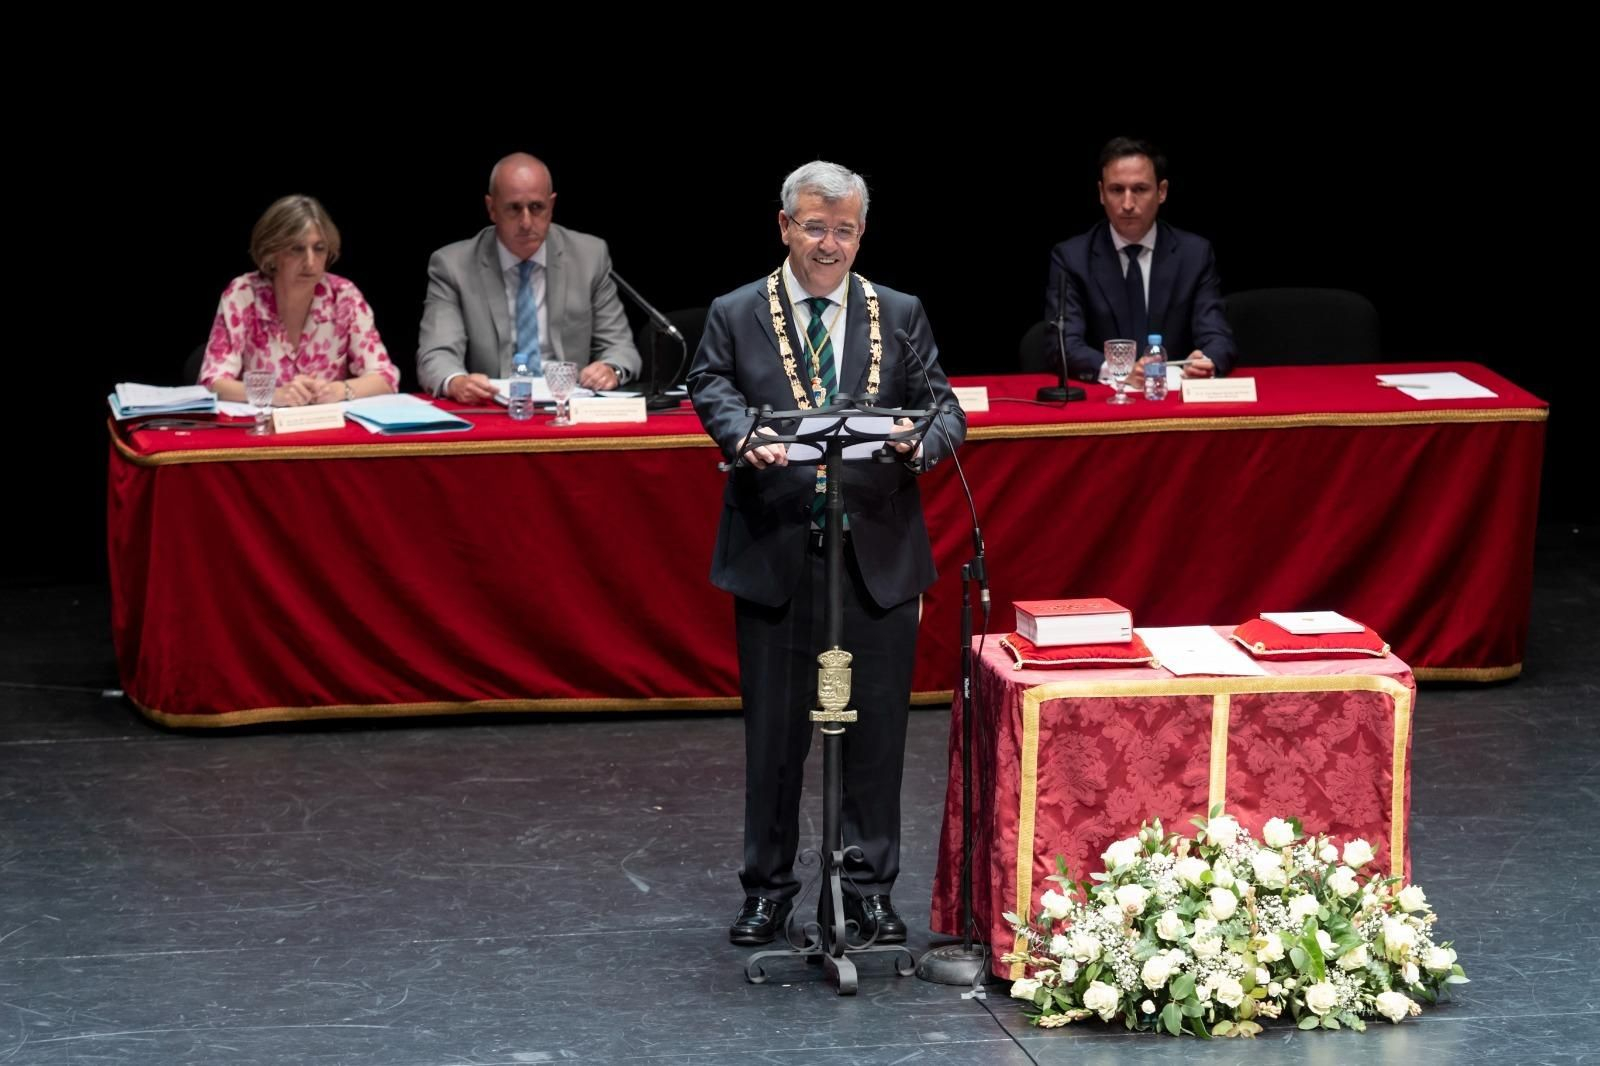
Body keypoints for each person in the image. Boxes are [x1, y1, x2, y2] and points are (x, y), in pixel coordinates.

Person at [688, 160, 965, 947]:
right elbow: (709, 385)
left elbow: (943, 406)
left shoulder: (898, 311)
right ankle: (768, 888)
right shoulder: (737, 311)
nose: (830, 243)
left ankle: (868, 888)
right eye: (815, 226)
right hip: (779, 546)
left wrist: (921, 444)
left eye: (844, 229)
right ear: (784, 226)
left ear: (861, 232)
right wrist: (741, 438)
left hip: (874, 551)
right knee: (776, 737)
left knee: (876, 734)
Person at [416, 153, 641, 401]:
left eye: (536, 208)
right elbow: (436, 354)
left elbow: (620, 348)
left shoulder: (589, 256)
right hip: (494, 406)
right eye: (514, 208)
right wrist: (455, 382)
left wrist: (611, 369)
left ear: (551, 206)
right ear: (492, 209)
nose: (526, 222)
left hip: (569, 404)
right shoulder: (453, 265)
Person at [1042, 137, 1237, 384]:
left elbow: (1217, 335)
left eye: (1140, 189)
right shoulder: (1072, 257)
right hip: (1107, 401)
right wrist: (1117, 371)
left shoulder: (1194, 254)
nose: (1127, 204)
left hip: (1173, 395)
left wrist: (1207, 361)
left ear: (1162, 192)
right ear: (1101, 193)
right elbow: (1062, 343)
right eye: (1116, 190)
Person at [200, 195, 399, 405]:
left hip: (325, 430)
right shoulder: (243, 294)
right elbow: (213, 382)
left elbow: (385, 377)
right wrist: (274, 395)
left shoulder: (344, 296)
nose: (310, 262)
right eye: (297, 249)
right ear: (271, 252)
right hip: (260, 430)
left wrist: (339, 390)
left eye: (319, 249)